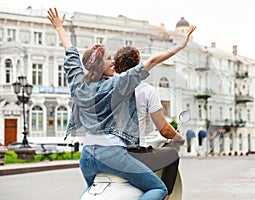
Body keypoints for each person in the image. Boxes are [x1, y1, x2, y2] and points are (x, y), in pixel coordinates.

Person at [47, 7, 196, 200]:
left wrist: (59, 27)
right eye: (109, 59)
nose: (113, 63)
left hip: (87, 158)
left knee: (92, 188)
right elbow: (152, 61)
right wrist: (181, 46)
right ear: (100, 65)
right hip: (111, 155)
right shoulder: (116, 85)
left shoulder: (78, 83)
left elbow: (70, 52)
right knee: (158, 189)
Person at [113, 46, 185, 199]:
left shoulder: (108, 87)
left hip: (108, 152)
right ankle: (165, 196)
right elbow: (164, 130)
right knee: (172, 155)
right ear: (138, 65)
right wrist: (179, 138)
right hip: (132, 154)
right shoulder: (146, 90)